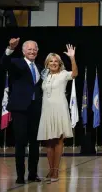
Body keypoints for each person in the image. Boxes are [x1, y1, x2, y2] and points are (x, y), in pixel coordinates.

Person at [0, 38, 43, 184]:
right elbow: (4, 63)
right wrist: (10, 49)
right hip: (20, 109)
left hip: (35, 109)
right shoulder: (16, 63)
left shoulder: (38, 67)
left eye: (34, 49)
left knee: (35, 143)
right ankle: (20, 175)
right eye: (29, 49)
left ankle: (33, 174)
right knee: (20, 142)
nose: (32, 51)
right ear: (24, 51)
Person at [37, 44, 78, 183]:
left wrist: (72, 58)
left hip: (60, 110)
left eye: (56, 61)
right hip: (47, 110)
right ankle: (50, 169)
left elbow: (75, 74)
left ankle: (56, 171)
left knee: (59, 140)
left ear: (59, 63)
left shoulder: (63, 74)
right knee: (49, 142)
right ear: (47, 64)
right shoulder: (44, 76)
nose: (53, 63)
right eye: (51, 61)